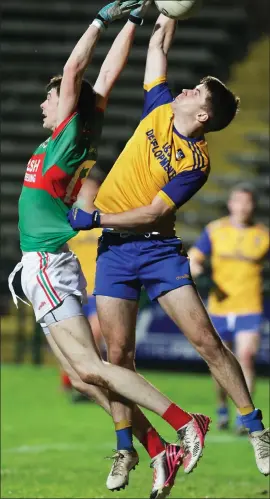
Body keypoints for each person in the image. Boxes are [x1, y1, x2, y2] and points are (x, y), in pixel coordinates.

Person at [8, 4, 212, 499]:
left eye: (49, 99)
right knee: (82, 377)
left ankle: (186, 423)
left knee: (94, 367)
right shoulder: (77, 132)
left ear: (66, 104)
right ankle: (154, 447)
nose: (43, 107)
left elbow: (81, 70)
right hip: (40, 266)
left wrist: (100, 19)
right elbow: (105, 75)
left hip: (49, 264)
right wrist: (132, 22)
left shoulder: (68, 132)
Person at [67, 11, 270, 485]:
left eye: (196, 92)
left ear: (202, 117)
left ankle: (256, 428)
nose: (186, 89)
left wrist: (94, 217)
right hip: (115, 251)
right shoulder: (158, 104)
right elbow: (158, 49)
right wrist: (162, 11)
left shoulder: (195, 164)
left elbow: (153, 213)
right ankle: (126, 449)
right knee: (117, 359)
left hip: (156, 250)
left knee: (207, 343)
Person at [188, 183, 269, 433]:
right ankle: (222, 406)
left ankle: (241, 414)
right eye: (238, 201)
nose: (243, 206)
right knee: (221, 362)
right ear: (231, 204)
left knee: (246, 357)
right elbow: (193, 259)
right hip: (220, 307)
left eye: (247, 202)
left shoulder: (263, 234)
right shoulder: (215, 230)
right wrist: (199, 271)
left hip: (250, 307)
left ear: (253, 205)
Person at [61, 228, 104, 401]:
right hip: (73, 288)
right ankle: (72, 380)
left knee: (94, 337)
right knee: (71, 338)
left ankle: (92, 384)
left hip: (98, 289)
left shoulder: (106, 219)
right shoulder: (69, 222)